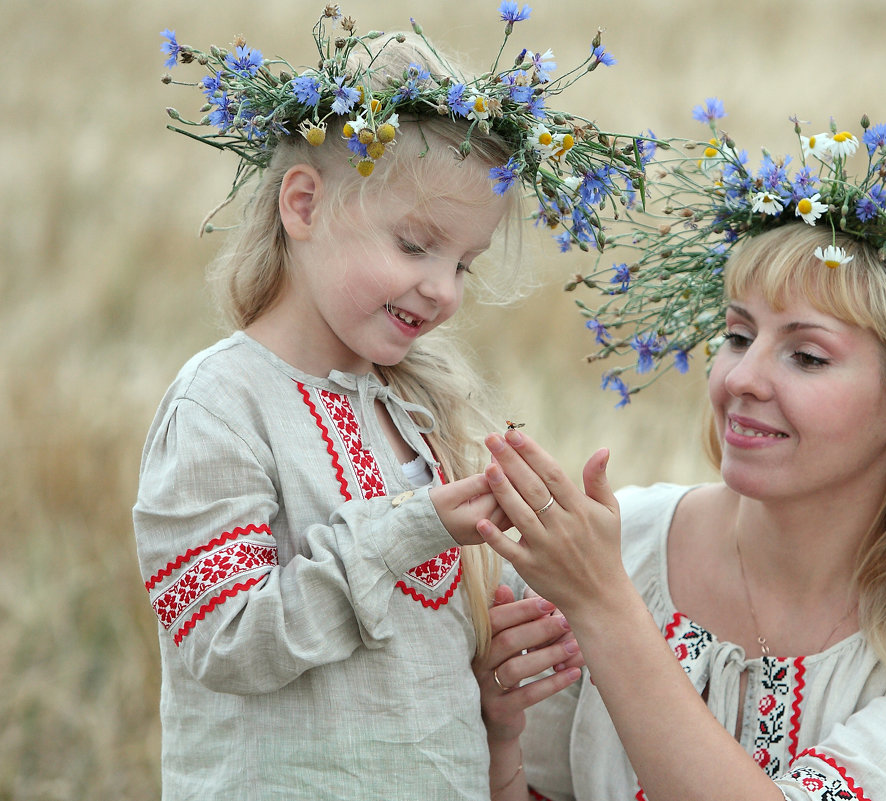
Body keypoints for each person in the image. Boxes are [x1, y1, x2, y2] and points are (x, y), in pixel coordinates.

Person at [475, 68, 886, 800]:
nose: (742, 378)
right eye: (737, 335)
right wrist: (497, 742)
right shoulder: (619, 547)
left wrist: (605, 609)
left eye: (805, 355)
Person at [136, 7, 642, 799]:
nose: (442, 290)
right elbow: (227, 642)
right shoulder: (222, 402)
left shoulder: (417, 410)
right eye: (413, 245)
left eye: (463, 263)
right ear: (301, 205)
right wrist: (416, 525)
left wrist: (507, 648)